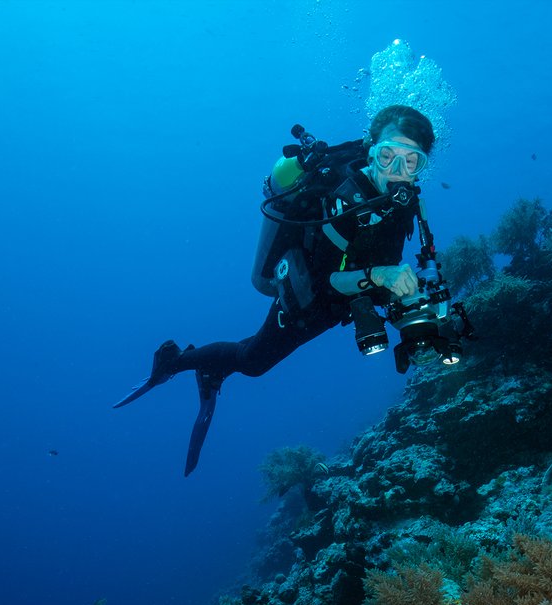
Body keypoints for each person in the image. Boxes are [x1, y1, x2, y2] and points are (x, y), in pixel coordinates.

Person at [115, 105, 459, 475]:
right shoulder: (345, 197)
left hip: (355, 292)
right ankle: (177, 360)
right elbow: (327, 279)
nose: (397, 171)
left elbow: (405, 260)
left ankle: (211, 371)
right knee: (252, 361)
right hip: (309, 296)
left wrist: (417, 301)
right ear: (371, 148)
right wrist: (383, 277)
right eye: (388, 155)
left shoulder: (407, 200)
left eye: (412, 162)